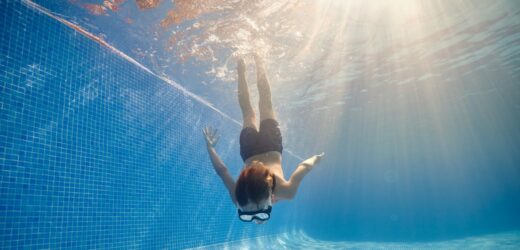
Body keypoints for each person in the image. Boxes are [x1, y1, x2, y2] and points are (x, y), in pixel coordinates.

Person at [203, 54, 324, 224]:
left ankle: (250, 66)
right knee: (251, 109)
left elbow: (304, 167)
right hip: (252, 149)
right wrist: (210, 147)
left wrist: (315, 159)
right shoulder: (240, 196)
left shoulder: (286, 192)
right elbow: (222, 171)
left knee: (262, 105)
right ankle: (246, 68)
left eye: (248, 215)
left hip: (267, 146)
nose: (255, 219)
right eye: (260, 214)